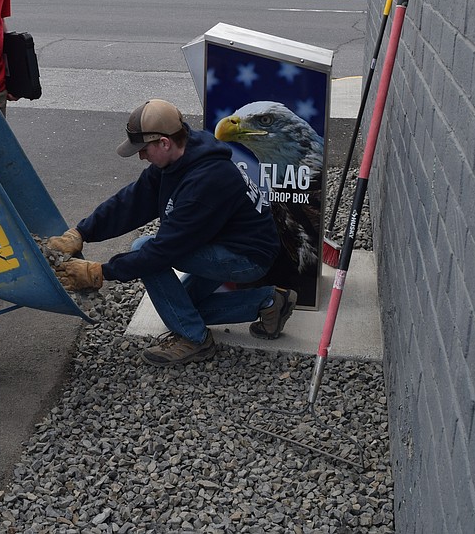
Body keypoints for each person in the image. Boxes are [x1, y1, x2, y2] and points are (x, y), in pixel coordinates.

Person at [46, 99, 298, 367]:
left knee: (144, 250)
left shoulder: (205, 183)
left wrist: (98, 272)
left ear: (164, 142)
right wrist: (82, 232)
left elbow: (161, 253)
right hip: (224, 240)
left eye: (143, 149)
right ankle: (271, 301)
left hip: (245, 257)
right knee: (182, 307)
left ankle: (196, 340)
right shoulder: (185, 152)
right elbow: (133, 200)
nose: (141, 156)